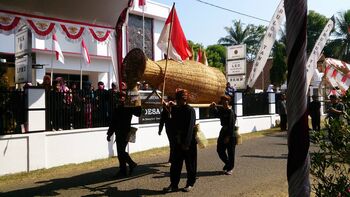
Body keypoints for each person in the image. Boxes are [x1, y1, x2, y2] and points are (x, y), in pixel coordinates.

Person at [163, 89, 197, 193]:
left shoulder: (190, 110)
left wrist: (186, 143)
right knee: (175, 165)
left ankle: (190, 183)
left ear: (184, 99)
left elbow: (190, 128)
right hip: (177, 141)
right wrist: (167, 108)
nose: (178, 101)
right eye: (177, 99)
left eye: (180, 99)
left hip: (188, 142)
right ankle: (174, 185)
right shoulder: (176, 109)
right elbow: (170, 122)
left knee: (190, 164)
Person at [107, 83, 142, 177]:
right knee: (120, 152)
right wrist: (109, 133)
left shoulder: (128, 107)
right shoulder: (117, 108)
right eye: (119, 97)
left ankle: (131, 164)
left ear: (125, 97)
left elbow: (138, 113)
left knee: (121, 151)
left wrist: (137, 103)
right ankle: (123, 170)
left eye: (122, 97)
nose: (120, 98)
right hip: (118, 132)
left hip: (126, 131)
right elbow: (113, 122)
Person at [210, 95, 237, 175]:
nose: (224, 102)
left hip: (230, 133)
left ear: (228, 102)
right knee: (219, 150)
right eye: (223, 101)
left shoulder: (230, 112)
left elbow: (231, 125)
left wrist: (228, 136)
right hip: (223, 132)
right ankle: (228, 164)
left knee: (230, 152)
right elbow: (216, 114)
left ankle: (230, 168)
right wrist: (213, 108)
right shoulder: (222, 110)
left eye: (226, 101)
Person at [158, 96, 176, 166]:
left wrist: (174, 106)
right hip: (169, 129)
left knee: (175, 144)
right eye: (169, 100)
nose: (170, 102)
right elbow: (162, 121)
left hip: (177, 129)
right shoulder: (165, 110)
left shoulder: (177, 108)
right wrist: (160, 130)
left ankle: (174, 160)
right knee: (172, 144)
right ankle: (171, 160)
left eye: (172, 100)